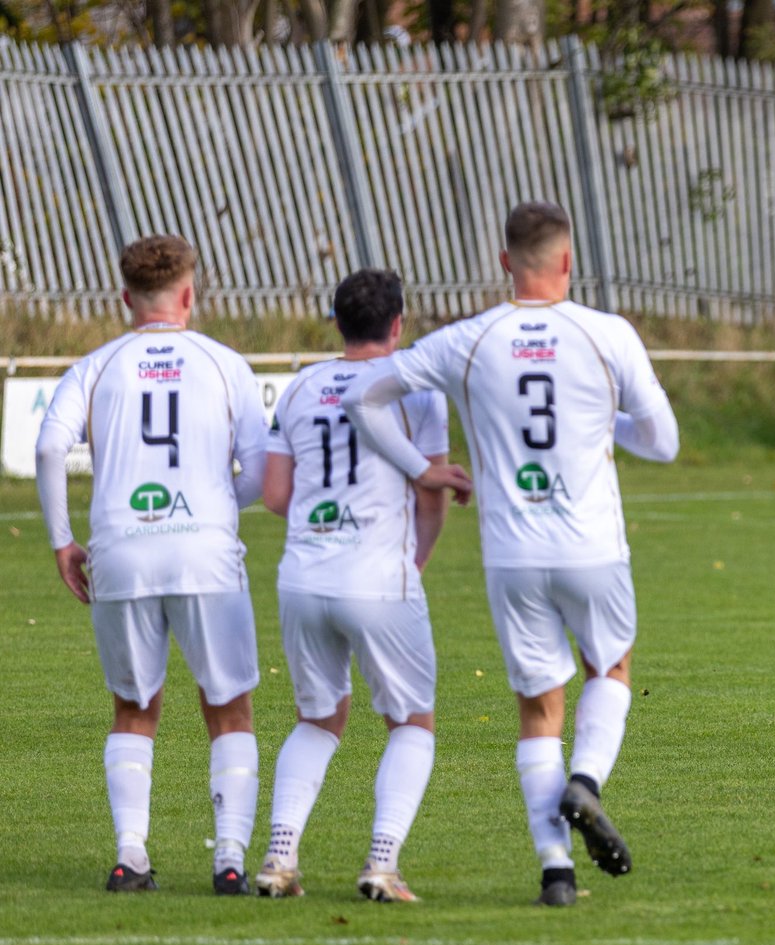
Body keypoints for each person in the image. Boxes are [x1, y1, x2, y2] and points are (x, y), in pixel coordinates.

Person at [342, 201, 679, 907]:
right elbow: (662, 440)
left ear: (505, 263)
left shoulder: (468, 338)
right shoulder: (604, 333)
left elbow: (364, 396)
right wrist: (603, 423)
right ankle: (585, 780)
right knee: (610, 668)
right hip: (591, 544)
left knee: (536, 708)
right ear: (566, 261)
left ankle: (556, 871)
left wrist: (421, 467)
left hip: (510, 552)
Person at [35, 235, 268, 893]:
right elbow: (259, 470)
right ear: (190, 294)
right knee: (229, 708)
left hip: (121, 550)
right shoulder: (225, 363)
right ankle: (228, 860)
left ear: (124, 298)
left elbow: (52, 450)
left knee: (134, 708)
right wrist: (216, 505)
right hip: (205, 552)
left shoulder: (97, 366)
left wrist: (62, 540)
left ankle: (130, 855)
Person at [253, 269, 470, 902]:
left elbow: (274, 495)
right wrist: (415, 562)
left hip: (302, 577)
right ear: (399, 324)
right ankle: (380, 863)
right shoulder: (416, 390)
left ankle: (278, 858)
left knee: (318, 719)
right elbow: (431, 495)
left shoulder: (299, 387)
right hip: (379, 576)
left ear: (337, 323)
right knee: (410, 721)